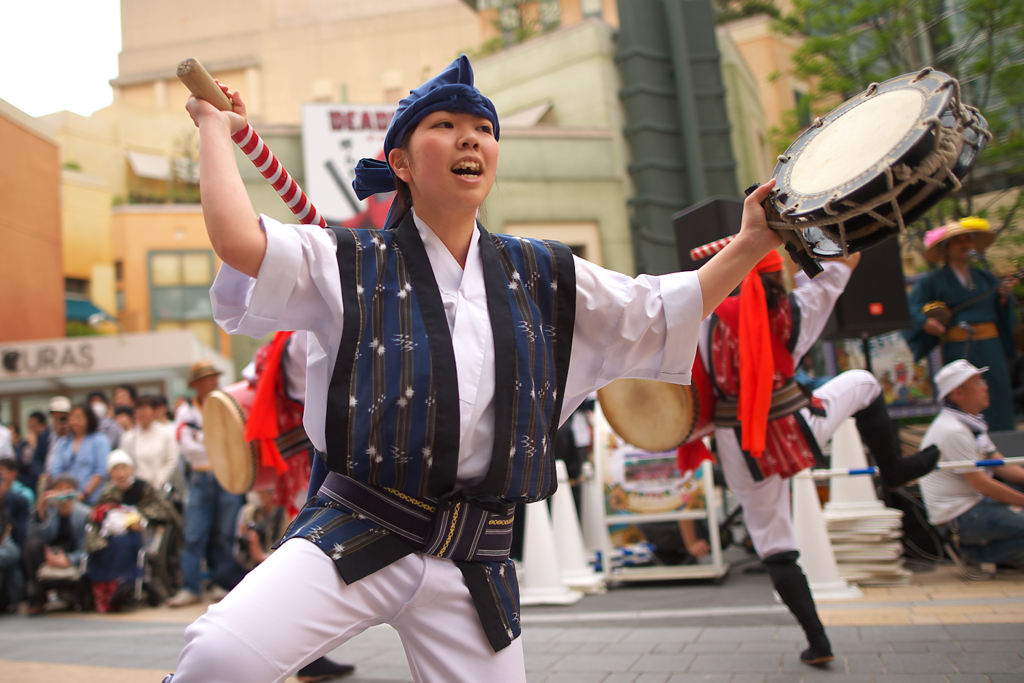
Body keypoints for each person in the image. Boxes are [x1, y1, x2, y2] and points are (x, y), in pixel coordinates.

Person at [165, 55, 781, 683]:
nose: (470, 137)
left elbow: (657, 308)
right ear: (399, 164)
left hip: (475, 554)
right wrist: (214, 128)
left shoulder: (546, 272)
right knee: (220, 657)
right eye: (444, 124)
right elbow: (239, 239)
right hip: (359, 525)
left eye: (484, 129)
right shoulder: (344, 259)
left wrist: (752, 241)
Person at [699, 249, 940, 666]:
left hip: (736, 440)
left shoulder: (707, 321)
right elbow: (841, 269)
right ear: (780, 278)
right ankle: (894, 469)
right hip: (793, 424)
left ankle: (818, 641)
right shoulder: (795, 311)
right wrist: (821, 243)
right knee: (863, 383)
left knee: (773, 539)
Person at [904, 218, 1018, 430]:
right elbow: (910, 308)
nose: (965, 244)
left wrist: (1003, 298)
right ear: (946, 248)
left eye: (969, 239)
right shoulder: (933, 281)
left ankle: (1003, 449)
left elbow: (1004, 314)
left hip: (991, 348)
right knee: (963, 397)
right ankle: (968, 445)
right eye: (958, 241)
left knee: (996, 396)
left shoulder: (986, 277)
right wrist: (925, 322)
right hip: (959, 348)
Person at [919, 360, 1024, 566]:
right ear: (959, 393)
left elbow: (1000, 463)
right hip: (961, 516)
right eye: (978, 383)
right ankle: (978, 556)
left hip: (974, 505)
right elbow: (982, 484)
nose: (985, 387)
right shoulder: (954, 431)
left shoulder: (970, 423)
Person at [168, 361, 244, 607]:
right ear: (196, 384)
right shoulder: (186, 411)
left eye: (214, 377)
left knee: (225, 534)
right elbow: (189, 450)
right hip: (200, 477)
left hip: (227, 476)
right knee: (194, 533)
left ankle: (222, 582)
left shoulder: (226, 403)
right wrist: (217, 446)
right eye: (207, 378)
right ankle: (190, 586)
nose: (212, 381)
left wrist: (207, 442)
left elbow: (235, 440)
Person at [24, 474, 91, 615]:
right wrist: (40, 512)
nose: (63, 493)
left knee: (72, 599)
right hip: (51, 556)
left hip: (73, 558)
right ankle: (38, 596)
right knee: (32, 545)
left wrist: (68, 560)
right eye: (59, 489)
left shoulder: (85, 514)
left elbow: (88, 547)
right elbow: (33, 537)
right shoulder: (50, 512)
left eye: (68, 488)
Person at [47, 403, 110, 505]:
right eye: (72, 417)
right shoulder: (63, 442)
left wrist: (85, 493)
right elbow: (56, 470)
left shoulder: (100, 440)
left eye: (79, 417)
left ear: (89, 418)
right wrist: (64, 492)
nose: (74, 421)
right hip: (65, 500)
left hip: (93, 499)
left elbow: (101, 471)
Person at [120, 395, 180, 492]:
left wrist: (158, 482)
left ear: (154, 411)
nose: (140, 413)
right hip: (138, 489)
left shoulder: (167, 433)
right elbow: (127, 462)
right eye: (137, 410)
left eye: (144, 409)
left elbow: (172, 460)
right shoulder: (129, 437)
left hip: (162, 488)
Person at [0, 461, 30, 613]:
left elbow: (17, 542)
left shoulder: (17, 501)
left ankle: (12, 601)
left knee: (11, 558)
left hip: (12, 550)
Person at [22, 411, 50, 494]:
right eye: (29, 426)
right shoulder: (24, 443)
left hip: (44, 477)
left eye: (34, 426)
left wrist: (34, 446)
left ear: (43, 425)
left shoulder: (47, 438)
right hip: (28, 478)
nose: (31, 429)